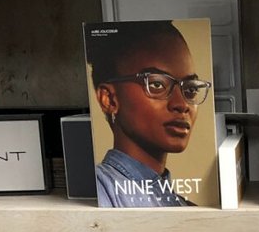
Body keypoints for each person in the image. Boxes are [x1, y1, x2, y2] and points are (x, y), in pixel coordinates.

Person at [88, 21, 211, 208]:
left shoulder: (184, 205)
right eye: (157, 84)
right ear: (109, 99)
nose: (182, 104)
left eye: (191, 89)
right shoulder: (100, 188)